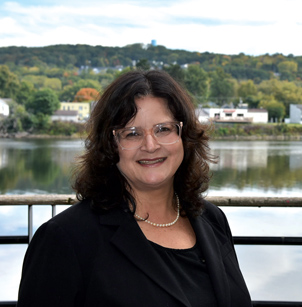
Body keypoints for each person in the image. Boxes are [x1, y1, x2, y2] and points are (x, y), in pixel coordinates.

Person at [17, 70, 252, 306]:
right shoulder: (66, 238)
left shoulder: (212, 220)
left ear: (184, 135)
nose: (150, 145)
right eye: (131, 133)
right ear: (110, 145)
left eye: (163, 129)